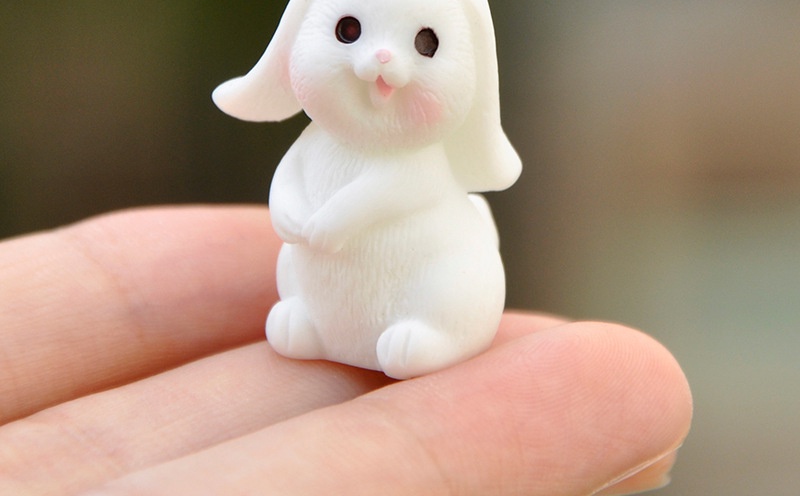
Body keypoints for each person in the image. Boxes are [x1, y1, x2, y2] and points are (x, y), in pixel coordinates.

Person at [0, 205, 691, 495]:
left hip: (424, 289)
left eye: (424, 42)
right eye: (349, 32)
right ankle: (315, 318)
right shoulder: (320, 145)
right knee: (300, 261)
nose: (381, 62)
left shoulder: (430, 168)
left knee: (446, 273)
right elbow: (293, 202)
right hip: (326, 301)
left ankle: (435, 329)